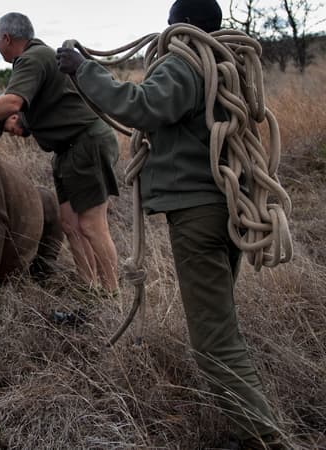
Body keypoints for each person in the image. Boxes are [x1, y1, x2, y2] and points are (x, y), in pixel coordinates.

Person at [56, 1, 284, 448]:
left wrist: (85, 69)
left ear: (179, 26)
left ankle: (262, 436)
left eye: (169, 26)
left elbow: (139, 106)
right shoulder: (224, 63)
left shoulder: (184, 62)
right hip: (226, 208)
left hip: (198, 215)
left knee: (213, 339)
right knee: (221, 324)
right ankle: (245, 425)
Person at [0, 13, 120, 294]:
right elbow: (31, 110)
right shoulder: (33, 60)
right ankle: (89, 290)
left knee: (91, 224)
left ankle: (111, 297)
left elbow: (13, 101)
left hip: (86, 143)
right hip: (67, 150)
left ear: (6, 38)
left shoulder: (32, 57)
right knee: (69, 224)